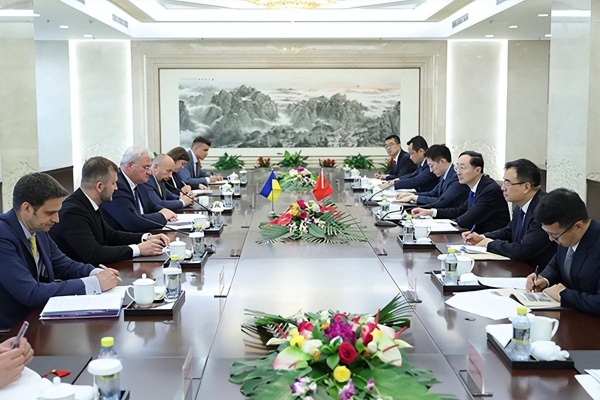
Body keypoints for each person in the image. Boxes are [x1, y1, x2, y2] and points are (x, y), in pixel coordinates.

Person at [0, 173, 119, 330]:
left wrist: (95, 272)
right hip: (12, 331)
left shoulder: (37, 227)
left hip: (40, 319)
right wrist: (93, 283)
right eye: (50, 213)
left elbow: (63, 264)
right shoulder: (3, 236)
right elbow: (30, 292)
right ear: (27, 209)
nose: (56, 219)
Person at [50, 157, 170, 266]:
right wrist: (138, 249)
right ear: (100, 186)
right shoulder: (72, 212)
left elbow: (110, 235)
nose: (116, 188)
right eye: (113, 183)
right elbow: (94, 254)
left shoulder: (89, 203)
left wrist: (146, 237)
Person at [462, 159, 556, 268]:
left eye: (508, 183)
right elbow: (509, 231)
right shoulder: (521, 205)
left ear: (526, 187)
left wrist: (489, 244)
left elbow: (523, 250)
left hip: (536, 272)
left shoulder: (543, 209)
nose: (503, 188)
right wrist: (482, 237)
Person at [526, 189, 600, 316]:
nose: (551, 239)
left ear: (578, 227)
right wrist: (544, 279)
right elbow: (557, 263)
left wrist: (564, 295)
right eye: (548, 233)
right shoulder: (567, 235)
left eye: (554, 235)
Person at [412, 151, 510, 233]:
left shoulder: (490, 190)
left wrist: (445, 224)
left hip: (489, 241)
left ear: (477, 170)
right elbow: (460, 210)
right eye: (457, 167)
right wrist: (431, 212)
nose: (458, 172)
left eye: (462, 168)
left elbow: (467, 219)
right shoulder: (475, 186)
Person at [100, 146, 177, 233]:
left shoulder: (140, 183)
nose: (149, 172)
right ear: (130, 166)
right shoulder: (116, 185)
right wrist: (162, 216)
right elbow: (132, 222)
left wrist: (164, 211)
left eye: (149, 167)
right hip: (121, 238)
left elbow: (150, 206)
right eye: (146, 167)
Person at [394, 144, 469, 208]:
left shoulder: (456, 178)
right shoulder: (445, 175)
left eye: (431, 166)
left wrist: (415, 197)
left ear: (442, 161)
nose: (431, 170)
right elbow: (432, 193)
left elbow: (441, 201)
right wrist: (410, 195)